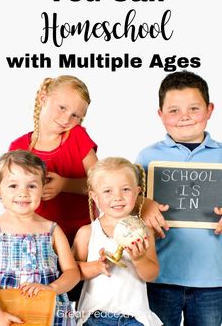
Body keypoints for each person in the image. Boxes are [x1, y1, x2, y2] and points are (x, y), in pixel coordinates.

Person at [136, 71, 222, 326]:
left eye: (193, 108)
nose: (184, 116)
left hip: (213, 278)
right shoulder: (147, 157)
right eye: (173, 110)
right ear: (160, 115)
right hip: (161, 275)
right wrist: (145, 203)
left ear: (209, 110)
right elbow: (125, 203)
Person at [0, 150, 80, 326]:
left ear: (43, 188)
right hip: (7, 312)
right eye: (13, 186)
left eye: (32, 186)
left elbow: (72, 273)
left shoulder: (52, 229)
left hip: (51, 314)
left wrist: (51, 288)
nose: (23, 193)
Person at [72, 157, 162, 326]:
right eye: (108, 191)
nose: (118, 197)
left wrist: (139, 259)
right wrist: (96, 267)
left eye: (125, 189)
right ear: (94, 196)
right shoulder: (87, 233)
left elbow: (151, 275)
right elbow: (71, 273)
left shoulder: (144, 231)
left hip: (134, 318)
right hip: (94, 317)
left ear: (137, 192)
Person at [9, 75, 98, 246]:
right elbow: (11, 194)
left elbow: (101, 182)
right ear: (43, 98)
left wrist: (65, 184)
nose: (66, 119)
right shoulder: (18, 147)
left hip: (81, 234)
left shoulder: (78, 136)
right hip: (38, 237)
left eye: (75, 115)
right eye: (62, 108)